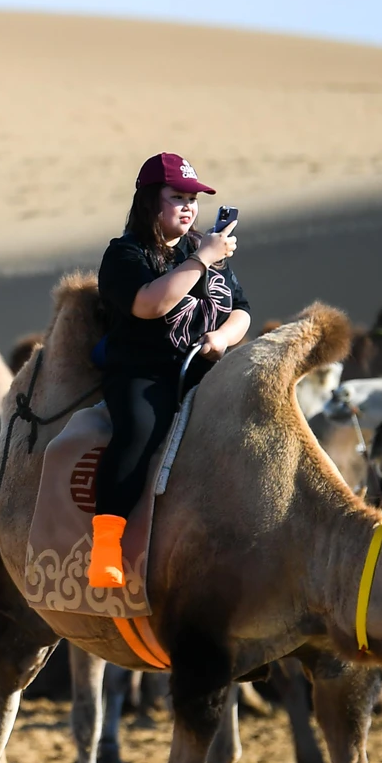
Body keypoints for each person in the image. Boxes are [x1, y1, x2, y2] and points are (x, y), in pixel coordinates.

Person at [89, 152, 250, 587]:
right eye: (176, 196)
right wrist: (201, 260)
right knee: (139, 430)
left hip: (204, 368)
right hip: (144, 374)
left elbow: (242, 310)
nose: (188, 206)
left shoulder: (204, 249)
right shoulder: (124, 254)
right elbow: (148, 303)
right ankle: (106, 542)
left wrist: (223, 338)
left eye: (193, 198)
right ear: (149, 204)